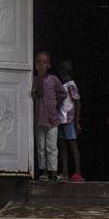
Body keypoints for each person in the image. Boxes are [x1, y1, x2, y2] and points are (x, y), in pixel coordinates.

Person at [32, 51, 67, 181]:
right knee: (40, 147)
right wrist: (40, 77)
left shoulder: (54, 79)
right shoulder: (34, 80)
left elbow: (63, 93)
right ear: (35, 65)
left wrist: (55, 104)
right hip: (39, 120)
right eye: (39, 62)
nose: (41, 64)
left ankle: (53, 172)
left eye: (44, 62)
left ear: (49, 65)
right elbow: (39, 93)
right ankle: (44, 172)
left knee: (52, 147)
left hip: (52, 119)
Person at [55, 61, 83, 182]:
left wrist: (76, 121)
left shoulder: (71, 85)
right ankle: (65, 171)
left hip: (69, 119)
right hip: (60, 120)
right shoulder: (62, 85)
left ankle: (77, 172)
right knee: (62, 146)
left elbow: (78, 103)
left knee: (72, 145)